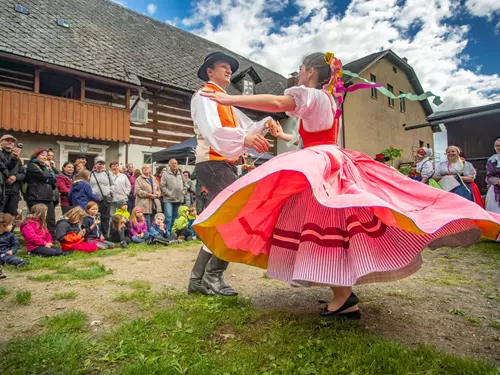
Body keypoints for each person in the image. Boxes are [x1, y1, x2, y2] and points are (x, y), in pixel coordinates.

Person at [193, 52, 500, 319]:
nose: (297, 74)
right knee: (336, 228)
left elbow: (276, 101)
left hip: (320, 165)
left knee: (324, 227)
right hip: (333, 162)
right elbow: (305, 131)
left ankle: (342, 297)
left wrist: (229, 97)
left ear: (311, 72)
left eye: (300, 69)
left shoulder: (310, 95)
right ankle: (344, 298)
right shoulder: (330, 100)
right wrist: (280, 134)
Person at [187, 51, 274, 297]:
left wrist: (266, 124)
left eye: (230, 68)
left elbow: (244, 127)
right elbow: (213, 130)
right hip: (212, 163)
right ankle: (212, 277)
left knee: (226, 218)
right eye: (223, 67)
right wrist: (245, 137)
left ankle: (198, 280)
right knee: (235, 215)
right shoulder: (205, 95)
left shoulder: (224, 99)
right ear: (209, 72)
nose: (229, 71)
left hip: (221, 164)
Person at [24, 148, 57, 236]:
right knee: (36, 218)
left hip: (48, 196)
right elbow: (41, 176)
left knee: (50, 218)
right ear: (36, 156)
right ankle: (34, 235)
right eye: (42, 155)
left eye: (46, 156)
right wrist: (49, 178)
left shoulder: (46, 167)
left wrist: (49, 175)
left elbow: (54, 178)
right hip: (36, 196)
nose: (45, 157)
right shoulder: (32, 165)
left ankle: (51, 236)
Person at [0, 135, 25, 218]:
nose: (10, 142)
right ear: (1, 142)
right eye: (7, 140)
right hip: (2, 191)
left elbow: (23, 175)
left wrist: (15, 177)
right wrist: (10, 176)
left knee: (11, 218)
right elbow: (5, 168)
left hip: (14, 192)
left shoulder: (17, 158)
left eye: (12, 141)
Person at [161, 159, 186, 232]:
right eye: (172, 163)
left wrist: (183, 192)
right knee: (168, 216)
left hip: (178, 199)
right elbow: (162, 186)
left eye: (175, 163)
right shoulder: (165, 174)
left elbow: (185, 183)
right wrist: (169, 193)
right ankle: (167, 232)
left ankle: (174, 232)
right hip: (168, 199)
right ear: (169, 165)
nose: (174, 164)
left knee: (176, 217)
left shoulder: (180, 173)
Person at [90, 156, 112, 236]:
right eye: (99, 163)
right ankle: (96, 234)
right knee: (94, 216)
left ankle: (105, 234)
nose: (101, 165)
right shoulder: (91, 173)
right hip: (94, 199)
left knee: (105, 217)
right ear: (95, 164)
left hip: (105, 199)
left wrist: (110, 192)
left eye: (102, 164)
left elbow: (113, 184)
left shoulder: (108, 173)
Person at [135, 164, 162, 228]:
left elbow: (158, 189)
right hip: (144, 203)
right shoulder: (139, 179)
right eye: (144, 168)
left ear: (150, 169)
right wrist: (148, 194)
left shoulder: (153, 178)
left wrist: (156, 195)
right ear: (142, 170)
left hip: (154, 203)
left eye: (148, 167)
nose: (146, 168)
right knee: (146, 222)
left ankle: (154, 236)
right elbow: (138, 191)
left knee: (154, 221)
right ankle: (147, 236)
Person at [486, 138, 500, 214]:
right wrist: (498, 181)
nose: (499, 147)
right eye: (497, 146)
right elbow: (489, 177)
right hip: (496, 189)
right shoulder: (492, 160)